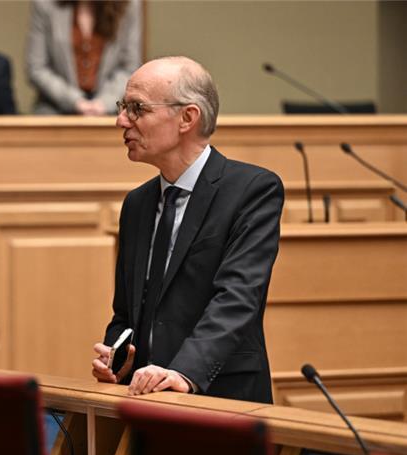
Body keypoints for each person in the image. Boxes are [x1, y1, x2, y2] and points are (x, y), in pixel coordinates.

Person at [91, 56, 284, 403]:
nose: (121, 120)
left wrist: (183, 373)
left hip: (224, 398)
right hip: (146, 397)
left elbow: (237, 299)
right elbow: (127, 312)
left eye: (137, 108)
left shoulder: (252, 190)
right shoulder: (136, 204)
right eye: (123, 107)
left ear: (187, 118)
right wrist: (118, 356)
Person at [26, 0, 142, 116]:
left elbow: (129, 68)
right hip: (56, 108)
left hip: (111, 108)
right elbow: (37, 68)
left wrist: (104, 103)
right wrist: (75, 101)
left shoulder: (128, 4)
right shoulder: (45, 4)